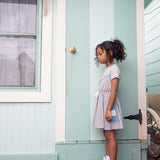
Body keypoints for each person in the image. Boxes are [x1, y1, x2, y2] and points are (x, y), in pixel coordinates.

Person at [92, 39, 126, 160]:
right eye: (97, 54)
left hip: (110, 105)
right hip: (104, 104)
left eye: (101, 53)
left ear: (110, 53)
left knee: (110, 134)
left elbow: (114, 90)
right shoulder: (107, 69)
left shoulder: (114, 69)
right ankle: (107, 157)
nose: (98, 56)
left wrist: (108, 109)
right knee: (106, 133)